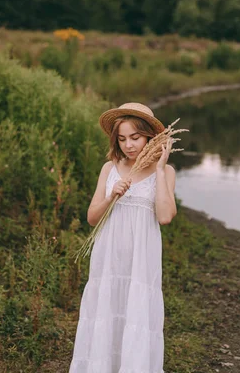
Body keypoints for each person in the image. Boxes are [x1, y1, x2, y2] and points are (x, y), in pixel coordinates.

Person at [69, 102, 177, 373]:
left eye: (135, 138)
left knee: (136, 315)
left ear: (150, 137)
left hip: (141, 261)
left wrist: (161, 169)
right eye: (122, 139)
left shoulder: (165, 173)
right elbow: (92, 217)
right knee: (107, 311)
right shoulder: (110, 169)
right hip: (109, 258)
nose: (129, 145)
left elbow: (165, 216)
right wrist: (111, 195)